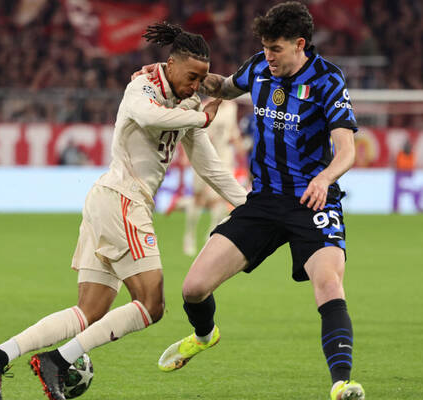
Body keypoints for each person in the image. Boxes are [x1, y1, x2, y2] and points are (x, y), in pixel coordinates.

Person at [0, 22, 248, 400]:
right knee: (152, 304)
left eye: (201, 79)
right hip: (122, 200)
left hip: (110, 202)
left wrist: (251, 205)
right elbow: (149, 117)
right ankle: (57, 361)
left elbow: (210, 167)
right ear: (171, 64)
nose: (195, 86)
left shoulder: (190, 107)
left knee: (89, 310)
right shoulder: (142, 87)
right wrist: (202, 117)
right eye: (191, 76)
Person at [141, 3, 364, 400]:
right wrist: (168, 73)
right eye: (264, 47)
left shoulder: (327, 80)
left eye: (276, 48)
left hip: (312, 202)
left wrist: (325, 178)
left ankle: (342, 383)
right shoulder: (259, 68)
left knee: (329, 284)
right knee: (193, 288)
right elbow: (223, 87)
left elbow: (347, 150)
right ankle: (204, 336)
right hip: (262, 201)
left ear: (300, 44)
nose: (268, 56)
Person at [182, 99, 242, 256]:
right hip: (203, 155)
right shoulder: (202, 106)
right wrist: (185, 154)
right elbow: (190, 130)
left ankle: (211, 235)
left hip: (224, 156)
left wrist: (241, 149)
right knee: (198, 197)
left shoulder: (232, 107)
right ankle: (189, 235)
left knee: (221, 197)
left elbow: (233, 131)